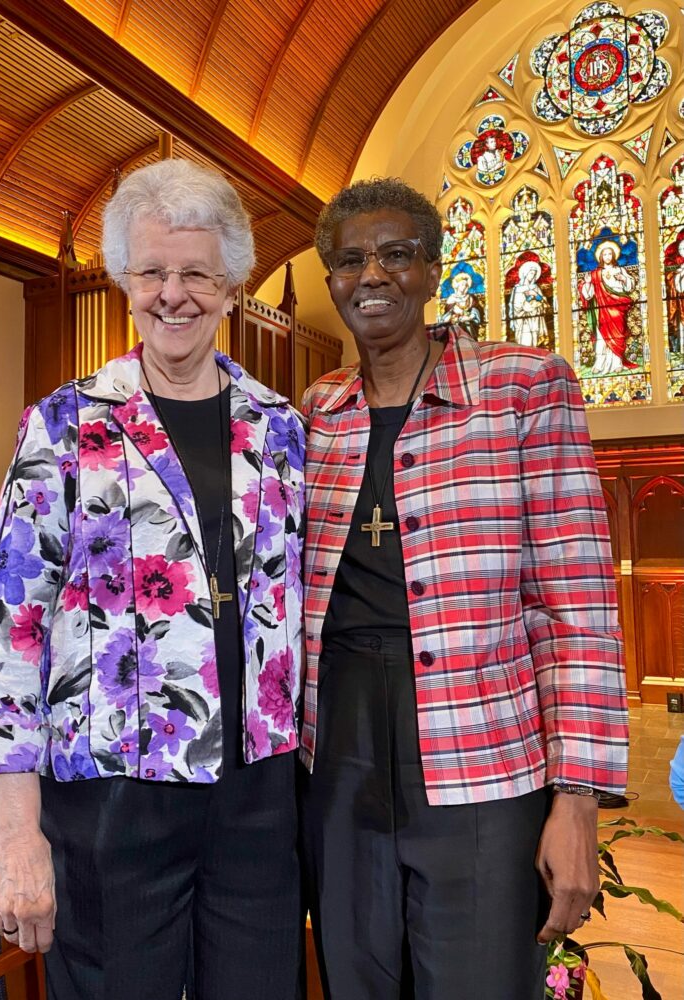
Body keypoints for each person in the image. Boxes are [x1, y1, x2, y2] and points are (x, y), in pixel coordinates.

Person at [0, 158, 306, 1000]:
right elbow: (9, 632)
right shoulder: (66, 423)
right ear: (124, 280)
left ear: (230, 287)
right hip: (111, 796)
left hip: (256, 793)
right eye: (152, 272)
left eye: (196, 273)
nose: (172, 293)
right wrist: (20, 836)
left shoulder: (279, 427)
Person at [299, 177, 628, 1000]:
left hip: (478, 754)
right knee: (355, 981)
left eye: (395, 254)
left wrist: (577, 801)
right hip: (337, 753)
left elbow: (576, 607)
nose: (371, 275)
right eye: (349, 261)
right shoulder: (317, 413)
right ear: (331, 280)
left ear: (435, 268)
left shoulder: (523, 388)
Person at [578, 241, 637, 374]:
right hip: (602, 309)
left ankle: (617, 362)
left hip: (617, 307)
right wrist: (587, 284)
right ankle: (600, 363)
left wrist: (624, 279)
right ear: (601, 257)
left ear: (614, 255)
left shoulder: (620, 270)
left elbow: (630, 286)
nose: (608, 256)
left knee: (618, 335)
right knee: (601, 337)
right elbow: (588, 296)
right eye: (605, 254)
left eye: (610, 254)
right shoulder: (594, 274)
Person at [510, 259, 549, 348]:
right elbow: (517, 307)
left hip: (535, 320)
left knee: (535, 343)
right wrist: (530, 297)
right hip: (523, 322)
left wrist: (535, 294)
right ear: (526, 273)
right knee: (526, 342)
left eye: (534, 274)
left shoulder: (536, 288)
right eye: (531, 273)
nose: (533, 276)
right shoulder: (517, 289)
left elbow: (543, 302)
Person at [438, 270, 482, 339]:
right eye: (462, 284)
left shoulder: (471, 298)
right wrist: (453, 318)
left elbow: (476, 310)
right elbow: (446, 316)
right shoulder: (452, 299)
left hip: (469, 328)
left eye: (466, 285)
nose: (464, 287)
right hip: (455, 329)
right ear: (457, 286)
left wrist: (470, 317)